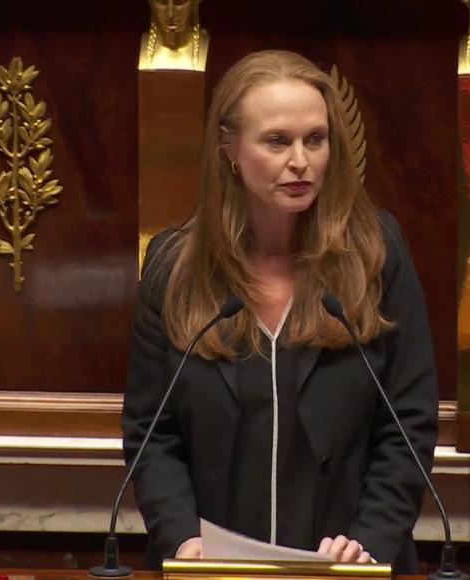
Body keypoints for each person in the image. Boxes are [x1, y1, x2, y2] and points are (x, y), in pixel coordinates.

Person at [122, 50, 439, 574]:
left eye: (315, 139)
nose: (301, 161)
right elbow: (152, 432)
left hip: (346, 567)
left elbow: (408, 423)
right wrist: (181, 540)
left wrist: (368, 543)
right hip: (212, 566)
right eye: (277, 141)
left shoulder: (376, 254)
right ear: (229, 148)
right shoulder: (175, 265)